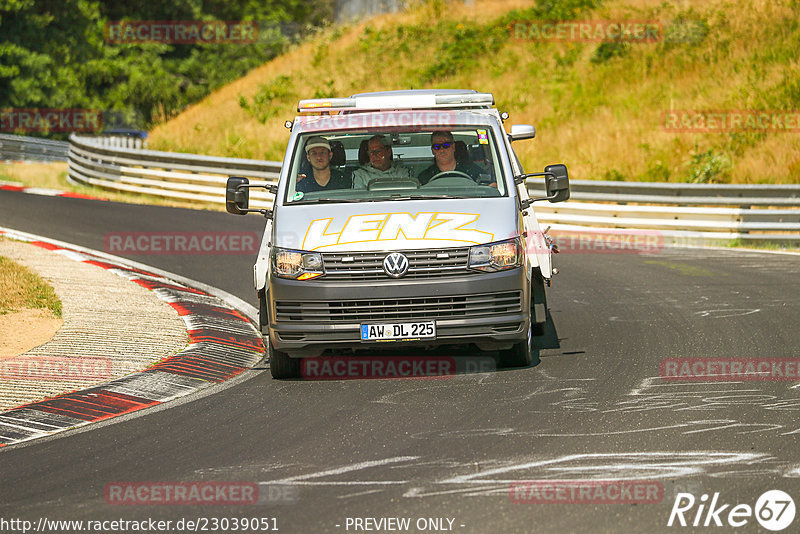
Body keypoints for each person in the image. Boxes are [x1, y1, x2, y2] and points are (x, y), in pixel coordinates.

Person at [417, 131, 489, 186]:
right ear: (432, 150)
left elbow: (491, 186)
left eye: (446, 145)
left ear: (453, 147)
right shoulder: (425, 177)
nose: (442, 150)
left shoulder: (472, 170)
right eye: (437, 147)